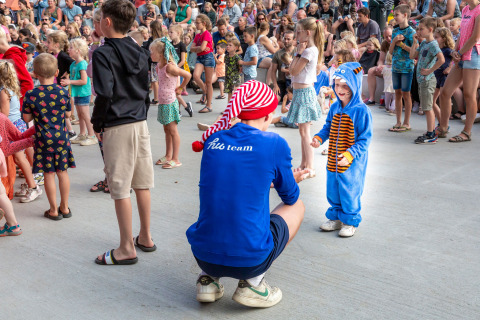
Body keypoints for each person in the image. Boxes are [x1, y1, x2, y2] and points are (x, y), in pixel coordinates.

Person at [188, 80, 306, 308]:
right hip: (250, 259)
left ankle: (207, 280)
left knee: (219, 210)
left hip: (203, 254)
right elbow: (289, 196)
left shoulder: (213, 140)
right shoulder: (274, 143)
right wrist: (293, 178)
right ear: (266, 117)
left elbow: (231, 180)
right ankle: (253, 283)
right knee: (297, 206)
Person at [92, 0, 155, 265]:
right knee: (142, 182)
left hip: (117, 124)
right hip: (139, 122)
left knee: (119, 187)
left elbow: (105, 92)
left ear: (107, 22)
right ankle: (145, 237)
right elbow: (146, 89)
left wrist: (98, 124)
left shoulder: (102, 53)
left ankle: (126, 247)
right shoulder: (139, 48)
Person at [312, 62, 372, 237]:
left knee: (350, 190)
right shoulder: (335, 107)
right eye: (337, 85)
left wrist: (350, 154)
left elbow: (365, 139)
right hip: (333, 159)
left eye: (346, 85)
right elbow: (328, 127)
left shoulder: (362, 111)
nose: (340, 89)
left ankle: (349, 221)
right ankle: (336, 218)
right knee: (333, 189)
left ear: (355, 85)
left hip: (351, 162)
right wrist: (319, 137)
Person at [22, 53, 75, 220]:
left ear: (35, 74)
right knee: (62, 172)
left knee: (49, 174)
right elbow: (68, 114)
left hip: (43, 139)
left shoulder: (31, 94)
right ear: (57, 72)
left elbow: (27, 118)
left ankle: (53, 210)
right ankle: (64, 207)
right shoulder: (62, 91)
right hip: (61, 137)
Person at [437, 0, 480, 142]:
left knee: (469, 94)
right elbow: (462, 34)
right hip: (461, 54)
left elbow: (475, 38)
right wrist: (455, 52)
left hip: (473, 55)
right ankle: (443, 127)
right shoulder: (466, 10)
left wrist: (459, 52)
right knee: (445, 92)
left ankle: (466, 132)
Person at [0, 61, 42, 203]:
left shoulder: (4, 92)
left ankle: (34, 187)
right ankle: (30, 184)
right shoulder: (11, 88)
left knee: (19, 159)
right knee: (20, 158)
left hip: (11, 128)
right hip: (18, 124)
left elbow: (3, 115)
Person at [287, 17, 323, 176]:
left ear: (308, 33)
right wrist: (297, 53)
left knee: (305, 132)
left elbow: (294, 71)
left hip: (305, 93)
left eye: (298, 32)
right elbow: (291, 68)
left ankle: (311, 167)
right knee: (302, 132)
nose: (296, 35)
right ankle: (304, 163)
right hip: (300, 92)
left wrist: (299, 53)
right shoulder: (305, 51)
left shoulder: (309, 51)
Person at [151, 38, 191, 169]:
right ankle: (168, 155)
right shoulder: (159, 66)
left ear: (161, 54)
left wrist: (180, 88)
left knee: (173, 130)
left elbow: (187, 75)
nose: (150, 54)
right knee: (166, 129)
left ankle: (176, 158)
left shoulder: (170, 67)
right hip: (163, 102)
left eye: (152, 51)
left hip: (170, 102)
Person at [410, 17, 445, 144]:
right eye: (418, 29)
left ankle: (431, 134)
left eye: (421, 29)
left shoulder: (433, 44)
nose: (418, 31)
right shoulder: (424, 43)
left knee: (427, 108)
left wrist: (430, 71)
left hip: (428, 80)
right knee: (426, 107)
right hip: (422, 80)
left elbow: (442, 59)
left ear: (430, 29)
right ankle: (431, 131)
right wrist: (415, 42)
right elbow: (412, 55)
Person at [61, 38, 97, 146]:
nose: (69, 50)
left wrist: (69, 81)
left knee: (85, 115)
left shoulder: (82, 64)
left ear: (78, 50)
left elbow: (84, 80)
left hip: (83, 93)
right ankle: (82, 134)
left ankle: (92, 135)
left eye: (71, 48)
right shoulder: (73, 64)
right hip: (77, 93)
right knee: (80, 115)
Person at [388, 5, 416, 132]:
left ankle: (407, 122)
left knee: (406, 94)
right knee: (397, 93)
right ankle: (398, 121)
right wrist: (394, 41)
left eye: (397, 15)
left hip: (407, 67)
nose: (395, 17)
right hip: (396, 67)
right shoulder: (395, 31)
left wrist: (402, 45)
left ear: (405, 15)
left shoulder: (412, 32)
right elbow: (390, 51)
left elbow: (415, 52)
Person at [45, 30, 76, 138]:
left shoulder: (62, 55)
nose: (46, 44)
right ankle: (63, 130)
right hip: (53, 86)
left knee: (60, 110)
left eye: (48, 42)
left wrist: (67, 73)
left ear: (56, 44)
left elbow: (73, 63)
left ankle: (69, 131)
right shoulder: (52, 54)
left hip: (59, 87)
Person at [191, 14, 215, 113]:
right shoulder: (197, 35)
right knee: (196, 76)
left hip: (208, 57)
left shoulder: (207, 34)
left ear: (204, 23)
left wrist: (197, 48)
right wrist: (199, 48)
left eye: (197, 23)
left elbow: (198, 48)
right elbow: (193, 48)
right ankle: (205, 91)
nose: (196, 24)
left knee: (209, 82)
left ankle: (208, 105)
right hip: (200, 57)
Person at [168, 24, 194, 116]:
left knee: (177, 91)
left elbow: (183, 60)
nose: (169, 34)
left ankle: (185, 106)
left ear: (178, 33)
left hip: (179, 70)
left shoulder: (182, 45)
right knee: (175, 92)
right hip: (172, 70)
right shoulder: (169, 44)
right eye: (169, 32)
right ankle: (180, 109)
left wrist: (176, 67)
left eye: (171, 32)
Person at [364, 26, 392, 105]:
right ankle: (371, 98)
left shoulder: (397, 43)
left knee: (389, 72)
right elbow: (381, 59)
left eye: (390, 36)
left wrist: (386, 67)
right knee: (371, 71)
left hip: (393, 68)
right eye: (386, 37)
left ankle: (388, 99)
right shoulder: (384, 43)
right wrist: (380, 66)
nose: (388, 38)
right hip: (386, 67)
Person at [432, 27, 455, 122]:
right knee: (431, 102)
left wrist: (449, 68)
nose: (434, 39)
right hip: (435, 76)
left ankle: (445, 121)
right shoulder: (436, 49)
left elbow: (455, 58)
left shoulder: (447, 50)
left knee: (443, 98)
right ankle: (441, 121)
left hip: (444, 76)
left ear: (444, 38)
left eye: (436, 37)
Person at [271, 30, 295, 101]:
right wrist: (275, 85)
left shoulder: (297, 52)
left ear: (293, 40)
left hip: (293, 82)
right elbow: (273, 71)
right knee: (274, 100)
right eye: (285, 38)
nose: (286, 41)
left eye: (288, 39)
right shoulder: (278, 54)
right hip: (281, 82)